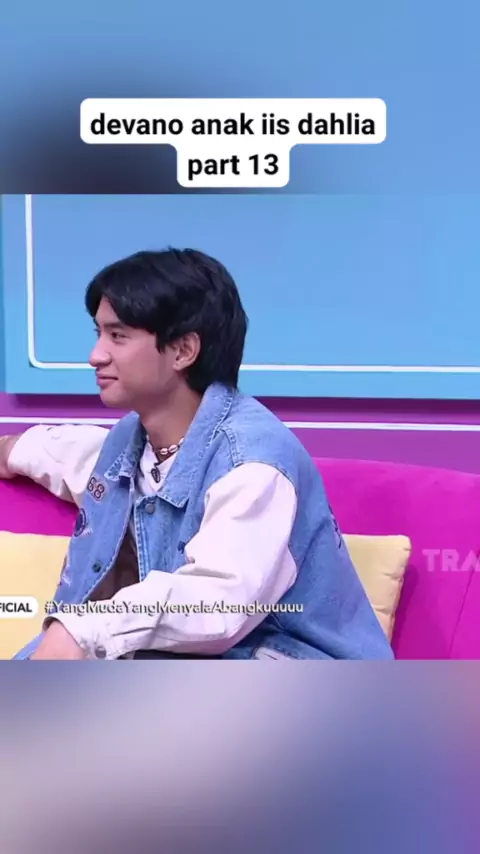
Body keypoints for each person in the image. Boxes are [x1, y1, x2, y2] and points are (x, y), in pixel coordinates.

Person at [1, 247, 393, 660]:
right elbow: (68, 455)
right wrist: (10, 451)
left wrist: (84, 630)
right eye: (98, 333)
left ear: (183, 350)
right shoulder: (131, 443)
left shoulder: (252, 463)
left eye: (118, 336)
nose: (95, 355)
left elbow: (215, 603)